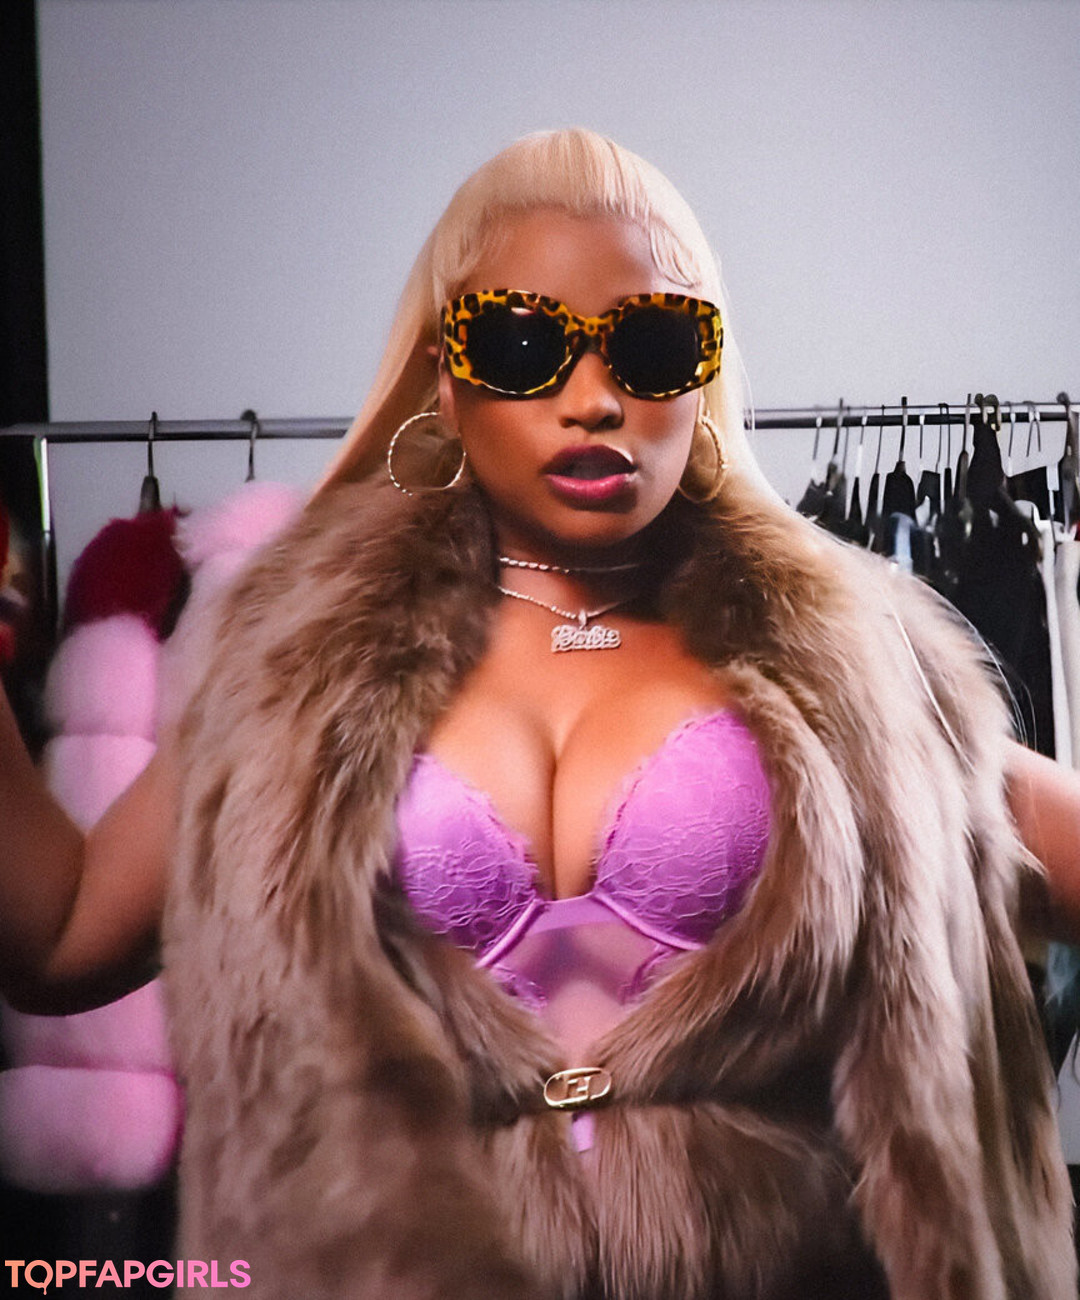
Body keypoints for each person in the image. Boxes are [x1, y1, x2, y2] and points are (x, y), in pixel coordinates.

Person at [2, 127, 1080, 1299]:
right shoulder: (297, 679)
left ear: (703, 374)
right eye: (521, 345)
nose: (594, 399)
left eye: (653, 346)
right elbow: (61, 939)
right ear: (443, 374)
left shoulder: (855, 675)